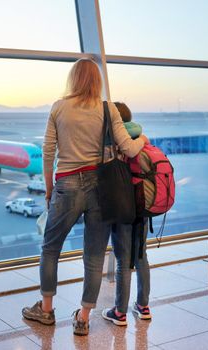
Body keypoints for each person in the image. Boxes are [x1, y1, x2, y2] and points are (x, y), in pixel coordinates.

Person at [21, 59, 148, 336]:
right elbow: (128, 147)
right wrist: (143, 140)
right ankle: (84, 317)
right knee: (93, 257)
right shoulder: (107, 108)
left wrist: (48, 188)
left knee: (50, 248)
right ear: (97, 81)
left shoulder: (59, 107)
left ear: (73, 79)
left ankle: (45, 309)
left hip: (66, 184)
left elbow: (48, 152)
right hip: (100, 188)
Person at [102, 102, 152, 326]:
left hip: (123, 206)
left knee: (123, 260)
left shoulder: (114, 141)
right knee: (141, 257)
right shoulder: (142, 137)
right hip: (143, 206)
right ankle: (143, 306)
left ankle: (119, 312)